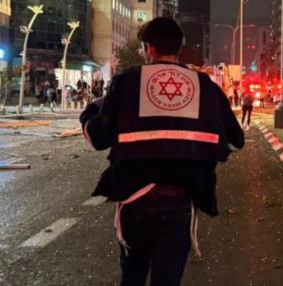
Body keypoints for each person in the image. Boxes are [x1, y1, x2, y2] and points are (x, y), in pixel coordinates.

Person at [81, 17, 245, 285]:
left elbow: (99, 138)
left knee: (133, 273)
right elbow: (236, 139)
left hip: (134, 201)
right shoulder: (205, 86)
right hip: (178, 202)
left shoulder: (127, 81)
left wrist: (90, 113)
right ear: (178, 49)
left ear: (149, 49)